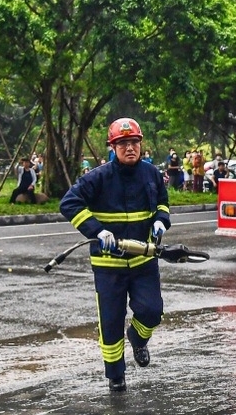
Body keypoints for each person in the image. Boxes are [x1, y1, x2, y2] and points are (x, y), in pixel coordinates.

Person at [60, 118, 171, 392]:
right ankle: (115, 377)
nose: (129, 148)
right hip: (108, 265)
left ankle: (138, 337)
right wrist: (97, 231)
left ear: (141, 144)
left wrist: (160, 221)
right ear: (113, 147)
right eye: (122, 144)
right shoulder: (97, 177)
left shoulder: (152, 174)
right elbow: (69, 203)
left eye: (133, 142)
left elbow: (163, 205)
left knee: (152, 311)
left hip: (144, 260)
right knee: (110, 321)